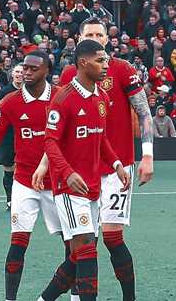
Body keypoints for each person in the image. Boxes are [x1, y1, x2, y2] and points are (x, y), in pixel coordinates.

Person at [56, 19, 153, 301]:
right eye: (90, 34)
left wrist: (147, 155)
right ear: (79, 39)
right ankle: (78, 296)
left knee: (111, 236)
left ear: (107, 39)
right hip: (80, 168)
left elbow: (144, 112)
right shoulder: (69, 74)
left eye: (100, 34)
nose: (96, 38)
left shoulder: (123, 69)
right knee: (81, 240)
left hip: (117, 165)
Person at [41, 39, 131, 301]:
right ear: (83, 62)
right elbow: (50, 142)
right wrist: (67, 172)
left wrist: (116, 165)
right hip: (69, 188)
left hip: (93, 186)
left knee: (78, 255)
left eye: (106, 60)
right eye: (100, 61)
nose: (106, 66)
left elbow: (101, 138)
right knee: (87, 248)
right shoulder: (63, 98)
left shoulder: (102, 97)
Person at [0, 51, 61, 301]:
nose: (27, 72)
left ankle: (75, 295)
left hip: (58, 184)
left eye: (34, 68)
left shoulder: (61, 97)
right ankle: (9, 298)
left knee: (72, 244)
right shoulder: (10, 102)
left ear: (47, 71)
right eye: (25, 68)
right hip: (24, 182)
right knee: (18, 242)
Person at [0, 63, 24, 211]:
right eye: (17, 72)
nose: (19, 74)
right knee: (9, 168)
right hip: (8, 136)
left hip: (25, 135)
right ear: (12, 74)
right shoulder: (4, 92)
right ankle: (10, 200)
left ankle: (24, 199)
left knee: (25, 168)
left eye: (21, 72)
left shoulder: (31, 90)